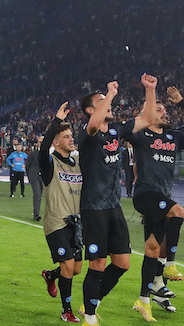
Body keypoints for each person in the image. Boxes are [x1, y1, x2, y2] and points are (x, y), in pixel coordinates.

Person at [76, 75, 157, 326]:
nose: (108, 104)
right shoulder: (86, 134)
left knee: (122, 263)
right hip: (93, 208)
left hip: (113, 206)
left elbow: (149, 119)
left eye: (107, 101)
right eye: (100, 102)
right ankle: (90, 316)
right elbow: (93, 125)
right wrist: (108, 94)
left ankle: (91, 302)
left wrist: (150, 90)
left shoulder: (116, 130)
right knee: (98, 263)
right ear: (91, 110)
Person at [127, 86, 184, 320]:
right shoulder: (140, 136)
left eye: (164, 109)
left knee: (152, 249)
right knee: (178, 211)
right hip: (145, 195)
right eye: (159, 110)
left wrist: (182, 102)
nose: (164, 113)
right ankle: (169, 265)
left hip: (161, 197)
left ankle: (145, 298)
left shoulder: (174, 137)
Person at [38, 103, 83, 323]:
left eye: (71, 136)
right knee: (67, 266)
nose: (71, 139)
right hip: (56, 223)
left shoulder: (77, 163)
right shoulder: (49, 163)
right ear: (56, 142)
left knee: (76, 269)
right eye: (66, 137)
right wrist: (56, 121)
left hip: (76, 225)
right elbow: (43, 147)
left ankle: (50, 275)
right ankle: (67, 310)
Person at [27, 137, 44, 221]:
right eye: (40, 142)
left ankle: (37, 213)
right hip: (34, 175)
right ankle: (36, 214)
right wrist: (29, 177)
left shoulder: (47, 154)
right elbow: (27, 165)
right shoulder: (33, 153)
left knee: (39, 195)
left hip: (42, 177)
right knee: (37, 194)